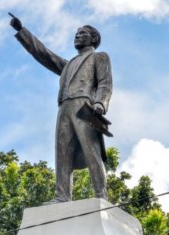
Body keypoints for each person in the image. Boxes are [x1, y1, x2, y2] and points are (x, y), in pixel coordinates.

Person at [10, 15, 113, 203]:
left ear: (94, 39)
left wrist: (100, 103)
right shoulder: (68, 65)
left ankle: (101, 195)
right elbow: (43, 54)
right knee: (62, 153)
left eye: (82, 34)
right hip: (64, 107)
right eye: (76, 34)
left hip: (85, 106)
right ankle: (62, 195)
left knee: (92, 151)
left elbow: (105, 84)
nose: (77, 36)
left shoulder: (99, 57)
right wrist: (22, 31)